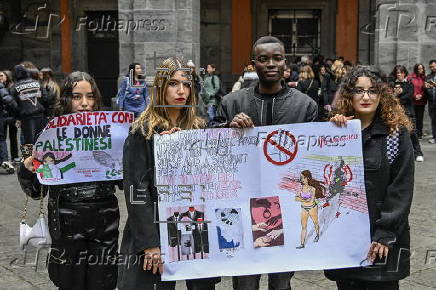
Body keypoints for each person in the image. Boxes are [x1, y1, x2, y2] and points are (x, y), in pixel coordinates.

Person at [213, 35, 318, 290]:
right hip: (241, 203)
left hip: (286, 205)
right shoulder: (232, 102)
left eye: (277, 58)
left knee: (281, 280)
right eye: (263, 59)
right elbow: (211, 147)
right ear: (253, 65)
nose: (271, 64)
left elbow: (316, 153)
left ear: (285, 63)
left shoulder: (306, 105)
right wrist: (229, 128)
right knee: (245, 279)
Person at [118, 57, 220, 290]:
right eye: (173, 84)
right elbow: (135, 190)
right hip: (153, 227)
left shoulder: (200, 129)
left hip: (195, 226)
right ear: (161, 87)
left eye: (186, 84)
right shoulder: (142, 132)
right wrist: (149, 244)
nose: (181, 90)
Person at [17, 71, 121, 289]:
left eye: (90, 96)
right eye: (77, 97)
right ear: (66, 98)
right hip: (65, 220)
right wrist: (28, 169)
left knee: (103, 281)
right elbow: (35, 191)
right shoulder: (50, 131)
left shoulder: (112, 130)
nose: (85, 103)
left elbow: (125, 180)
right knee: (69, 281)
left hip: (104, 218)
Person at [327, 66, 414, 290]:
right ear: (349, 95)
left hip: (383, 240)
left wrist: (385, 233)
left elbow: (401, 188)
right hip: (346, 239)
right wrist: (331, 134)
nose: (366, 97)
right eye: (359, 91)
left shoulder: (396, 134)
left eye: (373, 91)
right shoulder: (337, 133)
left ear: (382, 94)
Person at [5, 62, 53, 144]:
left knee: (27, 143)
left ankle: (27, 157)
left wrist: (18, 116)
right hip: (41, 116)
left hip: (26, 118)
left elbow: (12, 105)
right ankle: (42, 156)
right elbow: (47, 99)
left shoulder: (14, 87)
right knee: (42, 141)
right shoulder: (38, 83)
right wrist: (47, 113)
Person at [391, 65, 424, 162]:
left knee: (413, 133)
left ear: (404, 73)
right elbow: (390, 97)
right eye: (397, 73)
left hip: (408, 112)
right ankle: (400, 155)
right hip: (396, 112)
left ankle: (418, 153)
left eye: (401, 72)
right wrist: (395, 94)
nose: (399, 74)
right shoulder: (393, 84)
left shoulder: (409, 84)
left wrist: (398, 96)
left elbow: (409, 96)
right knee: (397, 133)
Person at [295, 170, 325, 249]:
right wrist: (304, 199)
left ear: (307, 178)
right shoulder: (300, 187)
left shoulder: (312, 188)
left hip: (312, 208)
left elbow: (311, 200)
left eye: (303, 177)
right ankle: (302, 244)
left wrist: (301, 198)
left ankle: (317, 235)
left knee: (315, 222)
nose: (301, 179)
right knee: (303, 226)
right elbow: (296, 198)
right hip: (304, 208)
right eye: (301, 177)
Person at [0, 70, 19, 162]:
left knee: (13, 136)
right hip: (4, 116)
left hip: (11, 115)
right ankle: (5, 158)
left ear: (7, 76)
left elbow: (12, 102)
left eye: (1, 76)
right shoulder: (2, 87)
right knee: (3, 137)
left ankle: (14, 156)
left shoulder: (12, 87)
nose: (0, 78)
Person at [408, 64, 427, 139]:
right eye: (419, 69)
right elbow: (410, 88)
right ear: (416, 69)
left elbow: (425, 89)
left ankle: (419, 134)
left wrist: (421, 95)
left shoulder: (424, 78)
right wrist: (415, 95)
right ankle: (412, 134)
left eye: (422, 69)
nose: (420, 70)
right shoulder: (410, 77)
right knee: (412, 117)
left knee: (419, 118)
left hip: (421, 101)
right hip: (413, 101)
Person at [424, 59, 436, 144]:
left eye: (434, 66)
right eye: (431, 67)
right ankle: (434, 137)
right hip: (432, 102)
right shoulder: (428, 76)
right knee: (433, 120)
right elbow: (426, 86)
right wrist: (426, 87)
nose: (432, 68)